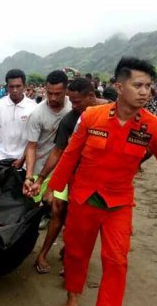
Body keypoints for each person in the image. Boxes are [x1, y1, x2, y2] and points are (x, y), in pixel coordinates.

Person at [49, 57, 157, 306]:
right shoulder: (92, 118)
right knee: (77, 253)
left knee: (116, 259)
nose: (145, 91)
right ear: (119, 86)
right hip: (84, 197)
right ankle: (73, 295)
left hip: (118, 203)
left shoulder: (152, 126)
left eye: (148, 86)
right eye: (138, 85)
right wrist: (55, 190)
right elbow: (70, 155)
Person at [30, 78, 107, 274]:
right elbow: (58, 151)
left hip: (96, 179)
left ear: (91, 96)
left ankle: (72, 256)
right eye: (71, 101)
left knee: (83, 219)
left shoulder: (110, 113)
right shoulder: (70, 119)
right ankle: (43, 254)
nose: (73, 106)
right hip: (70, 173)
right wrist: (41, 179)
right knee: (57, 209)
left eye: (77, 101)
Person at [23, 70, 71, 206]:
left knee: (57, 204)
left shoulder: (73, 107)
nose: (53, 98)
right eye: (50, 93)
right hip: (41, 166)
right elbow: (31, 146)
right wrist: (29, 176)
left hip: (64, 167)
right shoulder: (37, 114)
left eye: (58, 94)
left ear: (66, 90)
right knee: (38, 202)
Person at [0, 69, 37, 167]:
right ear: (7, 87)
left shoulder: (33, 108)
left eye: (18, 86)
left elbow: (33, 139)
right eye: (11, 87)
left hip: (23, 161)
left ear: (24, 86)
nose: (15, 90)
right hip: (1, 159)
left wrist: (23, 158)